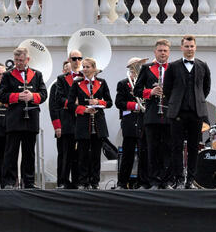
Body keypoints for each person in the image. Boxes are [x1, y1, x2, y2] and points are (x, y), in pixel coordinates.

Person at [163, 35, 211, 189]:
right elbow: (167, 89)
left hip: (196, 113)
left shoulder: (203, 65)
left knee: (194, 147)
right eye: (187, 46)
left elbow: (206, 88)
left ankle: (190, 180)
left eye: (192, 46)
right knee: (176, 147)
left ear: (195, 47)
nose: (189, 49)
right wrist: (176, 102)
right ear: (181, 48)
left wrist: (197, 100)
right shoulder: (173, 66)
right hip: (177, 113)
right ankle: (178, 178)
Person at [0, 46, 48, 189]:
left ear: (27, 59)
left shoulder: (37, 75)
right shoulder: (7, 75)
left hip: (31, 118)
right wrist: (17, 96)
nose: (18, 63)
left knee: (29, 153)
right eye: (16, 60)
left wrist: (33, 96)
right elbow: (1, 95)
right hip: (14, 119)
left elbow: (44, 94)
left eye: (21, 60)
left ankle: (28, 182)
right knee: (11, 152)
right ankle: (9, 182)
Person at [134, 39, 173, 189]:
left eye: (165, 51)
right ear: (155, 52)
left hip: (169, 114)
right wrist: (150, 92)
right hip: (152, 115)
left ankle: (166, 181)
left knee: (167, 149)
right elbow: (137, 90)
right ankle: (154, 181)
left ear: (169, 53)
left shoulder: (174, 68)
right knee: (152, 149)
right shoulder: (146, 68)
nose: (162, 53)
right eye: (160, 50)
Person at [69, 57, 113, 189]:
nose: (85, 69)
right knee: (82, 154)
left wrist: (98, 102)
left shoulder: (102, 82)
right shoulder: (76, 83)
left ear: (94, 68)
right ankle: (83, 182)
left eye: (87, 67)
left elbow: (109, 102)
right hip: (83, 123)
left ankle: (95, 182)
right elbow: (70, 104)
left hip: (98, 123)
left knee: (95, 155)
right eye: (83, 67)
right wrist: (84, 109)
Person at [116, 57, 149, 189]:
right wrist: (136, 106)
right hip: (130, 121)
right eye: (138, 65)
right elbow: (119, 103)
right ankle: (122, 183)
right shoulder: (123, 83)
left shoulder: (146, 82)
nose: (140, 67)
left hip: (143, 120)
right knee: (127, 154)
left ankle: (142, 182)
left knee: (144, 153)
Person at [50, 58, 80, 189]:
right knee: (64, 155)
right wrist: (57, 126)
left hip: (77, 123)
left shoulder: (79, 83)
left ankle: (77, 181)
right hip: (64, 123)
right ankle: (62, 181)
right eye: (67, 69)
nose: (70, 71)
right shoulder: (57, 84)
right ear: (64, 71)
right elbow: (53, 107)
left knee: (77, 155)